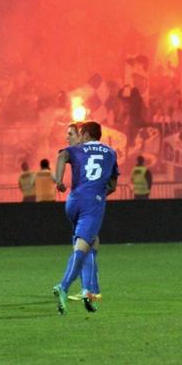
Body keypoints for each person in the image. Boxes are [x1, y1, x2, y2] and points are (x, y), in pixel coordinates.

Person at [51, 121, 117, 314]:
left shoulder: (76, 149)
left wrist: (60, 181)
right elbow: (112, 185)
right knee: (82, 245)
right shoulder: (110, 152)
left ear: (85, 134)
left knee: (92, 242)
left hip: (73, 201)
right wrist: (99, 193)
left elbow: (62, 156)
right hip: (92, 203)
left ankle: (90, 290)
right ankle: (63, 286)